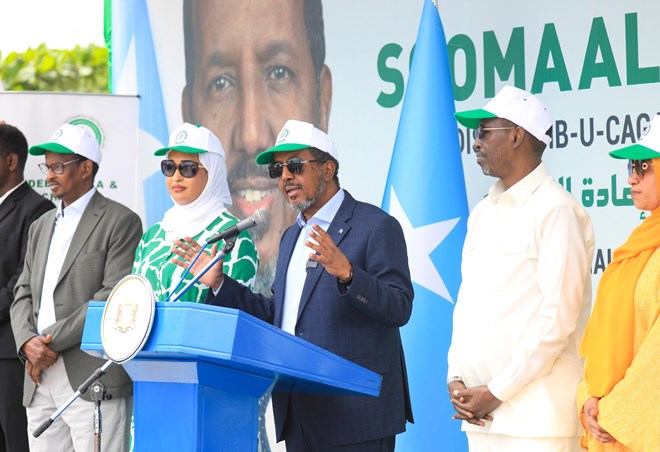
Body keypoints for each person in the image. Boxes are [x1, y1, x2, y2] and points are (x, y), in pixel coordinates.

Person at [173, 120, 414, 451]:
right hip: (300, 412)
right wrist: (219, 283)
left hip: (357, 416)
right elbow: (278, 314)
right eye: (278, 169)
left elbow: (399, 306)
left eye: (296, 166)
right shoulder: (292, 237)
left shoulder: (375, 225)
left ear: (327, 169)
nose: (285, 176)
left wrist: (348, 274)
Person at [447, 86, 595, 451]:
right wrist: (456, 378)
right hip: (482, 421)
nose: (475, 142)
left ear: (516, 135)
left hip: (536, 424)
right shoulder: (482, 213)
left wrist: (496, 391)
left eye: (484, 132)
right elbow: (467, 307)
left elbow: (557, 319)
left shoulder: (557, 210)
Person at [181, 0, 332, 293]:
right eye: (220, 83)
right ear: (189, 117)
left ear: (322, 103)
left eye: (279, 73)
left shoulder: (358, 240)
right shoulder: (167, 250)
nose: (251, 137)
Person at [10, 123, 142, 451]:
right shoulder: (40, 225)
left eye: (58, 166)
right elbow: (22, 291)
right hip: (38, 376)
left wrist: (46, 345)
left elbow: (111, 297)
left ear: (86, 168)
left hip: (90, 371)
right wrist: (27, 342)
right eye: (46, 167)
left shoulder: (120, 221)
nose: (49, 175)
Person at [577, 114, 660, 451]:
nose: (631, 177)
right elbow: (603, 335)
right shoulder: (640, 241)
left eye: (644, 166)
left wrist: (614, 410)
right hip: (608, 420)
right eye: (631, 167)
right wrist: (589, 396)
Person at [132, 122, 258, 301]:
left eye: (187, 168)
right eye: (169, 167)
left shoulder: (233, 235)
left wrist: (217, 282)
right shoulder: (152, 236)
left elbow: (239, 308)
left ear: (212, 172)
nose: (176, 177)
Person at [0, 123, 54, 452]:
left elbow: (21, 284)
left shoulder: (38, 210)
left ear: (11, 161)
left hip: (9, 353)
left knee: (15, 442)